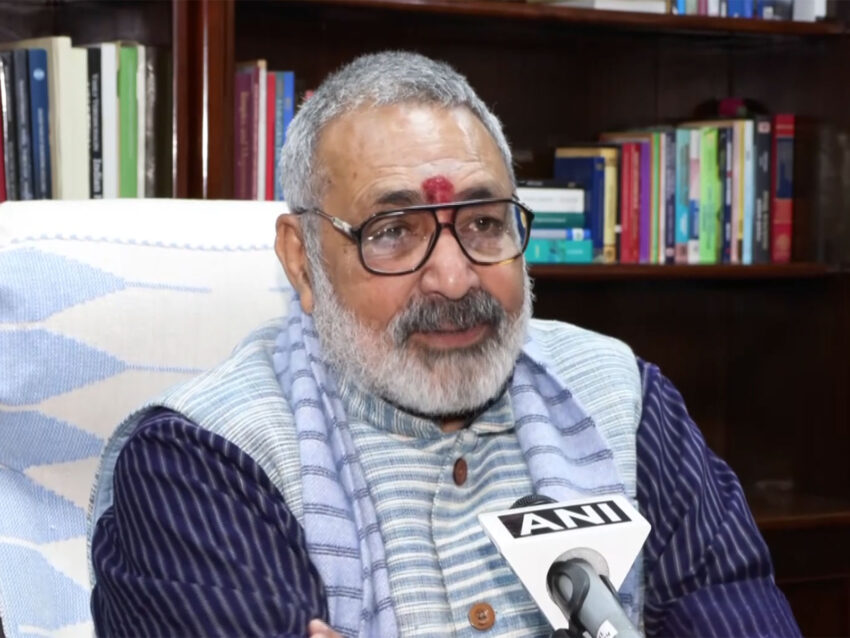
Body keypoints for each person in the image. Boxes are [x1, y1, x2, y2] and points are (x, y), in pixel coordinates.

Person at [88, 51, 801, 638]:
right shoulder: (197, 461)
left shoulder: (623, 396)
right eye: (394, 232)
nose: (455, 278)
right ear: (302, 262)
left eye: (484, 223)